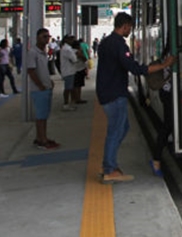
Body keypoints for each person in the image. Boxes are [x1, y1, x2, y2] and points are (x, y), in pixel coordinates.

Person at [97, 12, 175, 184]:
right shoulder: (119, 45)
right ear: (124, 26)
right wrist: (163, 66)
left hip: (107, 92)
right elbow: (135, 69)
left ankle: (108, 165)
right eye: (130, 28)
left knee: (122, 128)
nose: (130, 31)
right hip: (114, 94)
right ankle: (109, 169)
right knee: (115, 131)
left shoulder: (105, 42)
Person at [27, 28, 59, 150]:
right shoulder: (33, 53)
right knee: (41, 116)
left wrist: (49, 82)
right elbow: (31, 70)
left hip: (46, 87)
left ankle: (40, 137)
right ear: (37, 37)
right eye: (44, 36)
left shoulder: (43, 52)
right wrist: (40, 85)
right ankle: (42, 140)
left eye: (48, 37)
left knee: (44, 115)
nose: (46, 39)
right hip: (40, 90)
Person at [149, 67, 174, 178]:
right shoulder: (169, 55)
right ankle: (156, 160)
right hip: (169, 94)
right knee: (167, 126)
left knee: (168, 126)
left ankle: (156, 159)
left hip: (172, 92)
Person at [60, 35, 81, 111]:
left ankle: (70, 103)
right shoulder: (67, 49)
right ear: (66, 40)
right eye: (71, 39)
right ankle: (66, 104)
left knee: (70, 88)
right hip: (68, 71)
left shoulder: (66, 48)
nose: (72, 41)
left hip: (69, 71)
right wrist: (77, 55)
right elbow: (74, 59)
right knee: (68, 88)